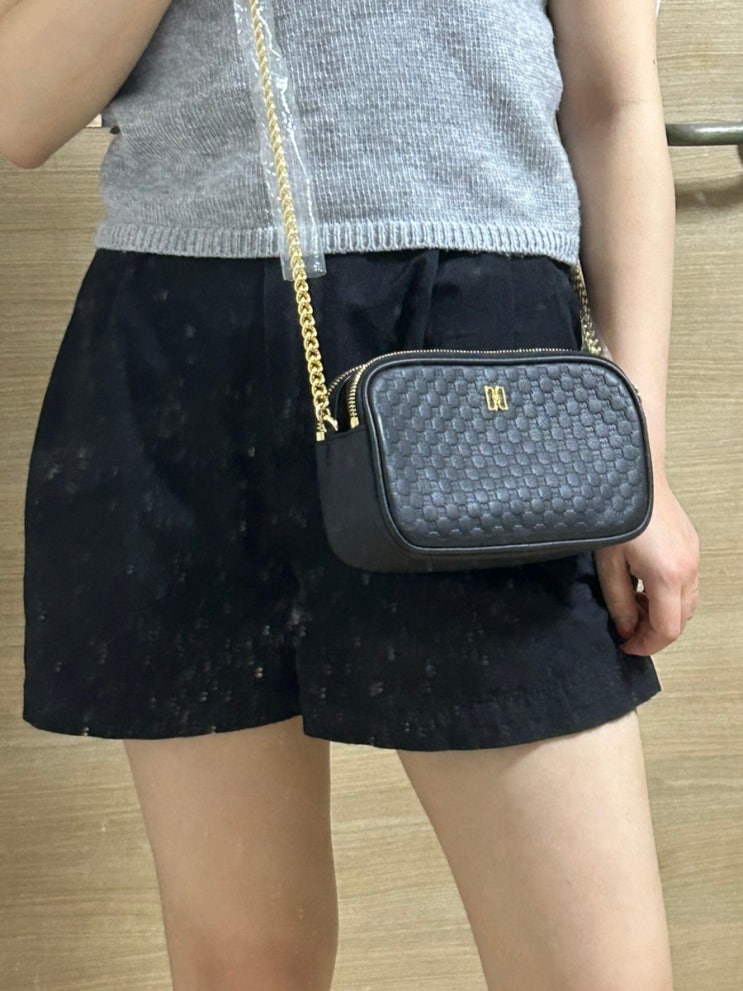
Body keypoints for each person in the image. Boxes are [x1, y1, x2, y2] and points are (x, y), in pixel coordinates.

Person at [4, 0, 698, 988]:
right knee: (244, 965)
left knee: (593, 969)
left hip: (475, 366)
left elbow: (613, 103)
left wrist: (637, 453)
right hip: (174, 349)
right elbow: (21, 110)